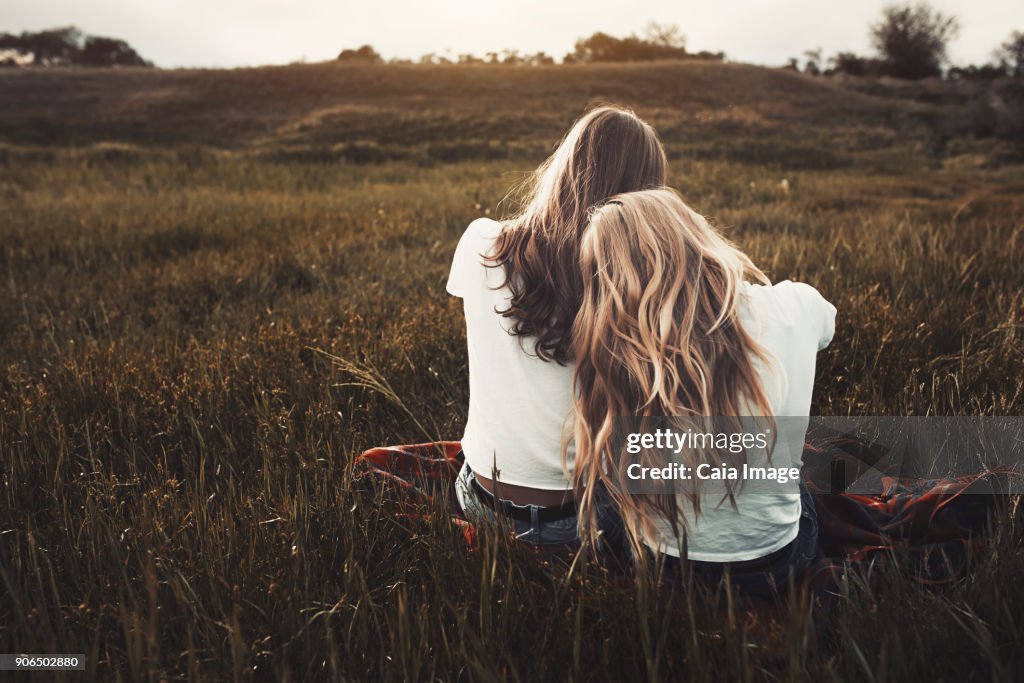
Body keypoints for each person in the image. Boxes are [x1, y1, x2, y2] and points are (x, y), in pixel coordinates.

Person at [568, 188, 836, 595]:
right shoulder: (793, 303)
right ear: (697, 234)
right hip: (775, 562)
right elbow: (827, 328)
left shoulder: (612, 342)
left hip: (663, 568)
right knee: (791, 468)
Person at [446, 106, 667, 546]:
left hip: (480, 498)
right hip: (582, 519)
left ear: (565, 168)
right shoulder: (639, 282)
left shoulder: (481, 242)